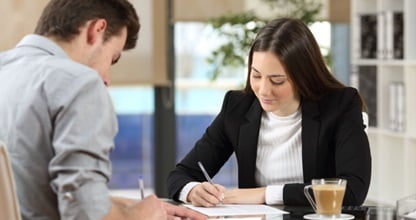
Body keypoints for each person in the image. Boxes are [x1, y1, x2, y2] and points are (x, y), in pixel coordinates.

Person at [0, 0, 205, 219]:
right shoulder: (80, 82)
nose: (106, 79)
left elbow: (27, 195)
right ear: (95, 31)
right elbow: (85, 214)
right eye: (113, 58)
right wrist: (142, 215)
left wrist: (125, 207)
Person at [167, 18, 371, 207]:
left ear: (304, 77)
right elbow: (181, 174)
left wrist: (266, 194)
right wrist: (192, 190)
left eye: (277, 80)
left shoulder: (340, 105)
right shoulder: (237, 107)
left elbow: (353, 190)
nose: (263, 90)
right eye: (256, 75)